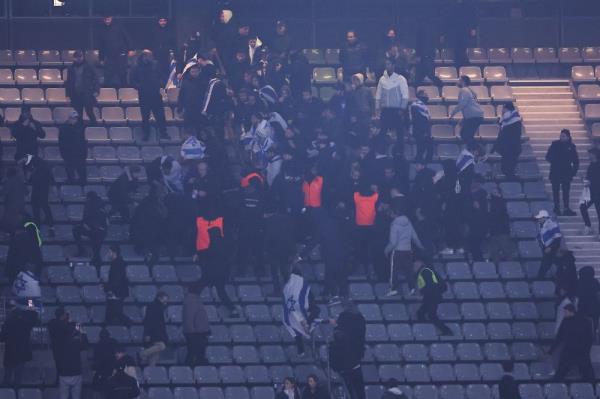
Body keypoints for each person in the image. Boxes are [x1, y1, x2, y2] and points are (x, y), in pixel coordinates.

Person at [194, 210, 239, 317]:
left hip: (211, 272)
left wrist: (197, 254)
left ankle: (191, 304)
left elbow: (205, 254)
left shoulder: (212, 247)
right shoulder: (225, 245)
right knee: (221, 291)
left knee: (198, 288)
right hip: (222, 273)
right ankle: (233, 310)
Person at [329, 300, 366, 399]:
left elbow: (340, 335)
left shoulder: (344, 316)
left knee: (348, 389)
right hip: (356, 358)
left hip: (345, 360)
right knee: (359, 388)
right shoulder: (360, 318)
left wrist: (335, 325)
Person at [48, 308, 88, 399]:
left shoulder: (52, 324)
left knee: (63, 395)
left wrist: (68, 321)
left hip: (59, 354)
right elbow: (85, 345)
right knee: (76, 396)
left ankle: (58, 378)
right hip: (75, 371)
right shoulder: (74, 341)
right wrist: (81, 331)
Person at [384, 205, 424, 296]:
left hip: (397, 251)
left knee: (393, 271)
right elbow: (414, 237)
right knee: (409, 271)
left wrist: (386, 250)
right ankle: (412, 288)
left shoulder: (394, 224)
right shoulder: (408, 222)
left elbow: (393, 242)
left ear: (393, 214)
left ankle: (393, 289)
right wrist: (421, 247)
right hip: (408, 251)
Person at [549, 303, 594, 382]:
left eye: (565, 312)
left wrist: (550, 351)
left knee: (561, 374)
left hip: (575, 351)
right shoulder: (584, 321)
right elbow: (559, 337)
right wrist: (551, 350)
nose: (564, 314)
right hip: (577, 351)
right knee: (588, 375)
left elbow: (559, 338)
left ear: (570, 311)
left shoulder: (569, 321)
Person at [130, 50, 168, 140]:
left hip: (155, 94)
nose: (150, 58)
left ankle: (163, 133)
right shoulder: (136, 67)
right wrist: (140, 87)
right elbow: (132, 80)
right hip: (144, 95)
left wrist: (159, 84)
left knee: (160, 116)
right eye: (149, 56)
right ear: (144, 56)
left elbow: (162, 76)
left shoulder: (155, 65)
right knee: (145, 117)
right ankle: (146, 135)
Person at [282, 269, 320, 357]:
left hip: (300, 310)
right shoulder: (292, 286)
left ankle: (306, 325)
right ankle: (306, 326)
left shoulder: (293, 286)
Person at [0, 306, 38, 387]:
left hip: (10, 351)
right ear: (21, 314)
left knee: (8, 373)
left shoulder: (7, 323)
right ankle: (17, 391)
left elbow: (2, 338)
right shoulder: (26, 323)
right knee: (18, 375)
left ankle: (7, 391)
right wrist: (26, 311)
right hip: (22, 352)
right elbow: (35, 315)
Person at [546, 129, 579, 216]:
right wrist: (555, 161)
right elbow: (548, 157)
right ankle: (556, 208)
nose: (561, 137)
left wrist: (573, 172)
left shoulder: (571, 146)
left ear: (568, 137)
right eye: (561, 136)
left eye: (563, 136)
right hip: (555, 171)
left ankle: (566, 208)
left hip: (566, 172)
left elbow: (576, 161)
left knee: (566, 191)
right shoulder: (555, 144)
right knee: (555, 191)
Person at [415, 261, 452, 335]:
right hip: (433, 297)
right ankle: (445, 331)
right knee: (423, 314)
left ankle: (447, 332)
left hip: (431, 297)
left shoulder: (425, 272)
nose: (413, 266)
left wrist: (423, 295)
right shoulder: (429, 271)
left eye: (415, 264)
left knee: (429, 315)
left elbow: (430, 286)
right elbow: (443, 286)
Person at [375, 59, 409, 142]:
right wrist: (377, 108)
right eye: (386, 64)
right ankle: (381, 153)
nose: (387, 66)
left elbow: (405, 95)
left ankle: (399, 153)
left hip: (396, 110)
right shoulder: (382, 79)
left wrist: (402, 109)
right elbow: (378, 94)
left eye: (389, 64)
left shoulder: (401, 79)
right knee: (382, 132)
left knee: (399, 133)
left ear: (393, 65)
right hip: (385, 110)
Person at [73, 191, 107, 266]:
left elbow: (86, 218)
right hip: (99, 230)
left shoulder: (90, 204)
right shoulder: (101, 204)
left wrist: (88, 226)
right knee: (77, 230)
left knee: (76, 230)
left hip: (96, 231)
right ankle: (95, 259)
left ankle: (82, 251)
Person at [65, 50, 99, 124]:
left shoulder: (89, 66)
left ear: (83, 57)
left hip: (87, 93)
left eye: (80, 57)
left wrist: (96, 90)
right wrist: (67, 94)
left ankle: (95, 127)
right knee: (78, 114)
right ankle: (80, 131)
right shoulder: (70, 68)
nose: (79, 58)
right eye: (77, 57)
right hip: (75, 94)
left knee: (89, 111)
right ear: (74, 58)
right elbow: (68, 82)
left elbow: (96, 79)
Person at [98, 15, 132, 88]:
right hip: (109, 56)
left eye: (108, 19)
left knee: (122, 74)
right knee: (108, 76)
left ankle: (125, 92)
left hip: (120, 54)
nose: (107, 21)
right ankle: (108, 94)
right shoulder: (101, 30)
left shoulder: (119, 26)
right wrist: (101, 58)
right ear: (103, 20)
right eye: (105, 19)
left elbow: (127, 37)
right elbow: (101, 45)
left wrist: (130, 49)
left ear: (111, 18)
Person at [449, 75, 483, 144]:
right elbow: (469, 105)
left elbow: (462, 104)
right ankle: (475, 152)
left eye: (459, 80)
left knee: (465, 135)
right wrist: (464, 118)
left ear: (463, 82)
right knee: (466, 135)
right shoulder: (468, 90)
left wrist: (452, 114)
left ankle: (480, 152)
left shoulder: (464, 90)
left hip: (474, 117)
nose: (457, 82)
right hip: (475, 116)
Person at [182, 283, 210, 366]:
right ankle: (187, 372)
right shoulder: (192, 301)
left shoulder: (193, 299)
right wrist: (191, 331)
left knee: (196, 353)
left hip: (198, 332)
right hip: (195, 333)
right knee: (193, 353)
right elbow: (189, 317)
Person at [25, 155, 54, 233]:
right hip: (44, 191)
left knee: (36, 207)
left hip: (37, 191)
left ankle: (38, 223)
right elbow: (51, 179)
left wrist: (30, 172)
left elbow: (31, 180)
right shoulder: (45, 168)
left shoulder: (37, 170)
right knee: (45, 206)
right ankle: (49, 221)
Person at [493, 102, 522, 179]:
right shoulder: (516, 119)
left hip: (509, 147)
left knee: (507, 167)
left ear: (506, 108)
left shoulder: (507, 121)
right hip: (513, 147)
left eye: (503, 109)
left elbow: (502, 135)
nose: (502, 111)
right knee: (509, 167)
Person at [140, 291, 169, 366]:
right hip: (154, 334)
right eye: (164, 300)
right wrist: (147, 334)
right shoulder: (153, 306)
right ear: (159, 298)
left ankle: (151, 371)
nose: (165, 302)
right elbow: (148, 320)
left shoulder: (157, 307)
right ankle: (142, 354)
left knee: (154, 357)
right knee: (161, 346)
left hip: (157, 333)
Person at [58, 110, 87, 184]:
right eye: (73, 118)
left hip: (79, 152)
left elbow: (83, 141)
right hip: (68, 152)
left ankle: (82, 181)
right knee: (69, 168)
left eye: (75, 118)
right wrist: (63, 152)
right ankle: (71, 180)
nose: (74, 120)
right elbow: (61, 141)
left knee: (80, 168)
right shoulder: (64, 128)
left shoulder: (80, 127)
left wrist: (84, 153)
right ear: (69, 118)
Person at [104, 245, 130, 325]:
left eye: (109, 252)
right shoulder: (119, 262)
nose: (108, 254)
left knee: (116, 312)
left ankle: (129, 323)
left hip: (117, 292)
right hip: (117, 291)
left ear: (114, 253)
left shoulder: (116, 264)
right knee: (113, 312)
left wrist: (108, 288)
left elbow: (116, 280)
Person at [534, 209, 562, 279]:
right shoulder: (541, 225)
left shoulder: (552, 224)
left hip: (552, 247)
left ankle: (540, 278)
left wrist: (550, 247)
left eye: (540, 218)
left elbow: (558, 238)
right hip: (547, 247)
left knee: (546, 263)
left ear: (545, 217)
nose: (539, 219)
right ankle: (541, 277)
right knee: (549, 262)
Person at [91, 328, 118, 394]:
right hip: (112, 372)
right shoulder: (114, 342)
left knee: (100, 391)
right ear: (109, 335)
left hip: (102, 372)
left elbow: (96, 361)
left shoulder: (97, 345)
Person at [576, 266, 600, 340]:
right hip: (594, 305)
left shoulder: (579, 282)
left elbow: (576, 295)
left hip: (583, 305)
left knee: (583, 321)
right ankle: (595, 333)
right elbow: (598, 293)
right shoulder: (595, 282)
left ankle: (585, 334)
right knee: (595, 319)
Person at [580, 148, 600, 235]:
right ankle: (588, 226)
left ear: (595, 154)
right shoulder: (591, 165)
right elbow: (589, 178)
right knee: (582, 206)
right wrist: (584, 180)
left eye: (590, 154)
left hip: (598, 192)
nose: (589, 156)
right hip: (591, 193)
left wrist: (591, 182)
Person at [410, 89, 433, 163]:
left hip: (424, 131)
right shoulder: (416, 106)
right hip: (420, 131)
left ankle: (423, 165)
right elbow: (420, 121)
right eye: (425, 95)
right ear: (420, 95)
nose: (427, 96)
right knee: (422, 150)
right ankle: (419, 165)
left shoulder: (423, 105)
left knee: (428, 149)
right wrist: (425, 132)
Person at [153, 17, 176, 85]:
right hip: (157, 54)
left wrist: (173, 53)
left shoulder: (170, 31)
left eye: (164, 21)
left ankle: (166, 85)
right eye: (161, 21)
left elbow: (174, 43)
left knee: (167, 69)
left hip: (167, 54)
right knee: (157, 69)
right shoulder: (154, 31)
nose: (163, 22)